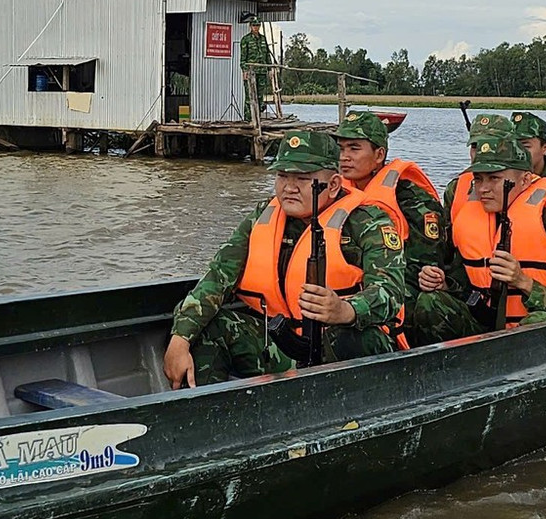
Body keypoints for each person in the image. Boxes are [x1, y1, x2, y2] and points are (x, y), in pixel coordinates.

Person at [164, 130, 408, 388]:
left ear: (334, 184)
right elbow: (218, 275)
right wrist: (180, 338)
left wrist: (346, 310)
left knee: (351, 337)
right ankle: (206, 413)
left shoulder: (369, 223)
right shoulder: (263, 216)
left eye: (303, 179)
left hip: (343, 348)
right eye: (282, 176)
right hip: (284, 344)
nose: (289, 188)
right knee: (207, 326)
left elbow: (390, 292)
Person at [336, 109, 475, 344]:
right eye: (341, 149)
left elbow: (423, 266)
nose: (344, 157)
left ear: (379, 154)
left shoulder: (413, 200)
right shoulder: (335, 192)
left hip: (398, 287)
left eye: (354, 148)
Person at [448, 133, 546, 329]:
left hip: (536, 329)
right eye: (478, 179)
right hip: (485, 323)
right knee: (431, 302)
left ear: (525, 180)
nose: (483, 189)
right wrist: (445, 284)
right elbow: (464, 287)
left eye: (494, 178)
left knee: (538, 321)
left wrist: (524, 282)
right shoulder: (469, 222)